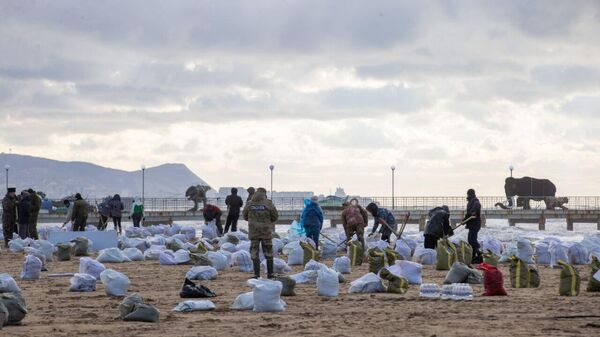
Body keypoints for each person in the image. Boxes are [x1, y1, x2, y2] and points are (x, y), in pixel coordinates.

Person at [243, 187, 279, 279]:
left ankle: (256, 274)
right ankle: (270, 274)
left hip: (254, 232)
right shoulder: (268, 203)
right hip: (266, 232)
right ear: (264, 194)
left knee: (254, 252)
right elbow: (275, 216)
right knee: (268, 252)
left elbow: (245, 216)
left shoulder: (250, 203)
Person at [464, 188, 482, 264]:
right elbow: (468, 214)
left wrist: (473, 212)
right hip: (472, 224)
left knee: (472, 240)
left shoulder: (475, 201)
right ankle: (474, 256)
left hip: (475, 224)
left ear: (470, 194)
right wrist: (464, 219)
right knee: (471, 240)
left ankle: (479, 254)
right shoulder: (471, 201)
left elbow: (475, 208)